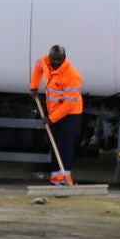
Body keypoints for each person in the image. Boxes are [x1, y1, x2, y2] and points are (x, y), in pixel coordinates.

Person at [30, 45, 83, 185]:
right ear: (50, 57)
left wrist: (51, 118)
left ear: (64, 58)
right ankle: (55, 177)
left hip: (70, 114)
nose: (56, 63)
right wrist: (34, 87)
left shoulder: (72, 76)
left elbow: (69, 105)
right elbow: (37, 66)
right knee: (54, 145)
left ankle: (66, 178)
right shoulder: (45, 62)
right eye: (54, 59)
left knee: (64, 145)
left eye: (59, 60)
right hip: (54, 111)